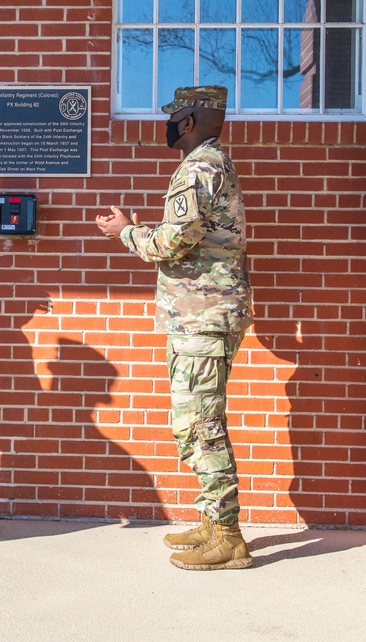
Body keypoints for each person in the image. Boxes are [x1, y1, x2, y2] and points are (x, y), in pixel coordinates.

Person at [95, 86, 254, 570]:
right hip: (199, 316)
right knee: (195, 423)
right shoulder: (209, 165)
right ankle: (213, 520)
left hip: (203, 319)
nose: (166, 127)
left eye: (171, 118)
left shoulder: (200, 168)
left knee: (201, 425)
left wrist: (126, 231)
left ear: (187, 121)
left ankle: (228, 537)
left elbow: (173, 242)